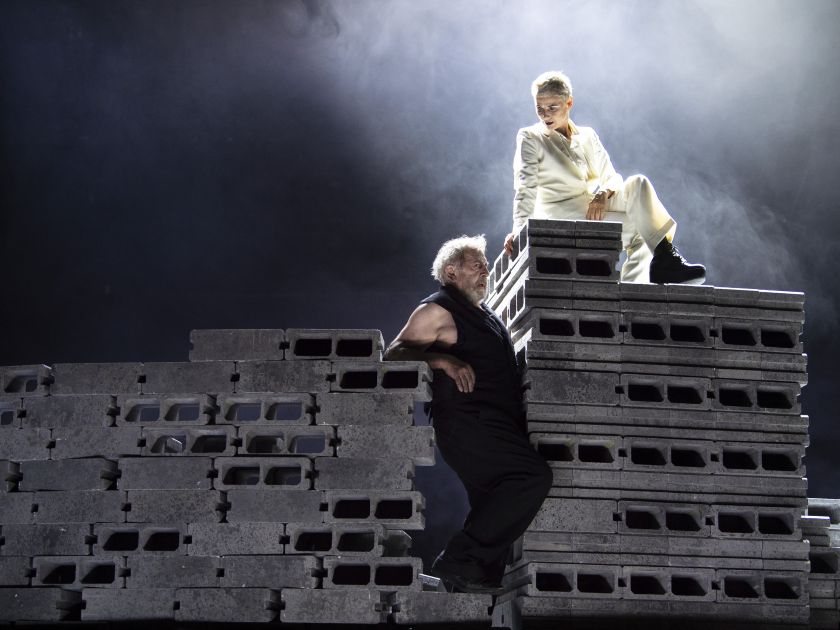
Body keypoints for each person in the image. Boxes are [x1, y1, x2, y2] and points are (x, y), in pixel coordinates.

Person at [384, 234, 552, 594]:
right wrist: (443, 359)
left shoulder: (482, 311)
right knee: (531, 477)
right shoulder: (438, 309)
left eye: (486, 265)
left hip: (494, 423)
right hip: (467, 423)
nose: (485, 271)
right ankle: (458, 561)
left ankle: (470, 579)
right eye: (477, 265)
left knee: (493, 502)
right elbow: (393, 354)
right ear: (451, 271)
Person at [504, 70, 706, 284]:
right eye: (539, 108)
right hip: (560, 211)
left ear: (569, 103)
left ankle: (661, 261)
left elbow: (612, 177)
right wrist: (518, 230)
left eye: (552, 107)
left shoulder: (588, 135)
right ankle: (655, 269)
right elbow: (525, 187)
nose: (545, 114)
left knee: (638, 183)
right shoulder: (530, 137)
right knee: (641, 229)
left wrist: (602, 194)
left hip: (591, 204)